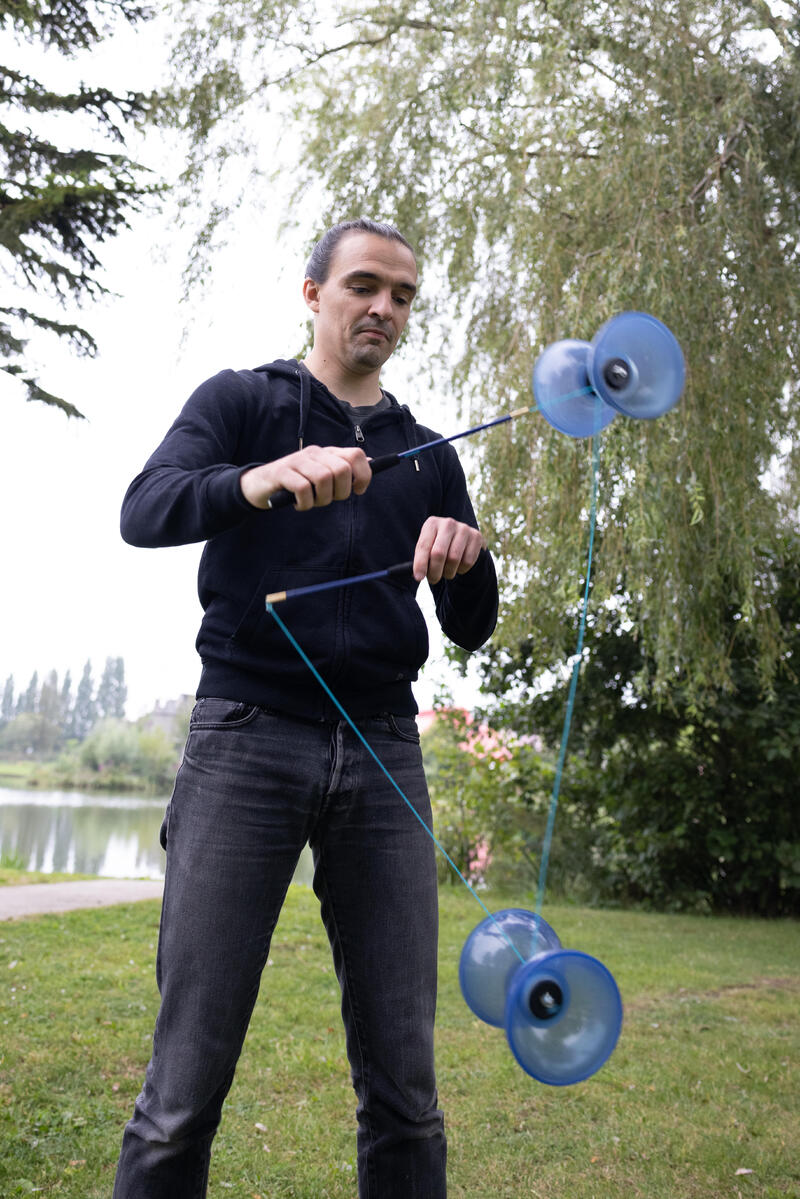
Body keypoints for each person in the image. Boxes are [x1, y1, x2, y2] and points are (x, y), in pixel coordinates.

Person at [112, 217, 498, 1198]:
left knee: (406, 1092)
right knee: (181, 1093)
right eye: (364, 285)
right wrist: (259, 480)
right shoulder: (241, 402)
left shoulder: (425, 454)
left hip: (382, 751)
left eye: (402, 295)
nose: (383, 308)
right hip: (245, 738)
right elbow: (144, 507)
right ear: (313, 293)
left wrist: (469, 556)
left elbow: (469, 626)